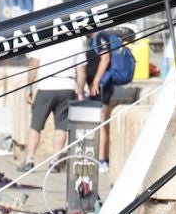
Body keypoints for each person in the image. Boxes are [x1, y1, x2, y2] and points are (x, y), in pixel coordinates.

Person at [21, 36, 84, 171]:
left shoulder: (45, 36)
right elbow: (81, 70)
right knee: (61, 126)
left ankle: (29, 160)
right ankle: (54, 162)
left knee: (36, 126)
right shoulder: (77, 40)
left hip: (46, 86)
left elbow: (33, 65)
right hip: (68, 85)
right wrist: (80, 91)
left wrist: (29, 87)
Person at [85, 24, 135, 167]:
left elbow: (105, 58)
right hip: (101, 85)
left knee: (101, 122)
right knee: (100, 122)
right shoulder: (101, 37)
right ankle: (101, 158)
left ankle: (102, 160)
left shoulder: (101, 36)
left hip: (101, 86)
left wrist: (95, 81)